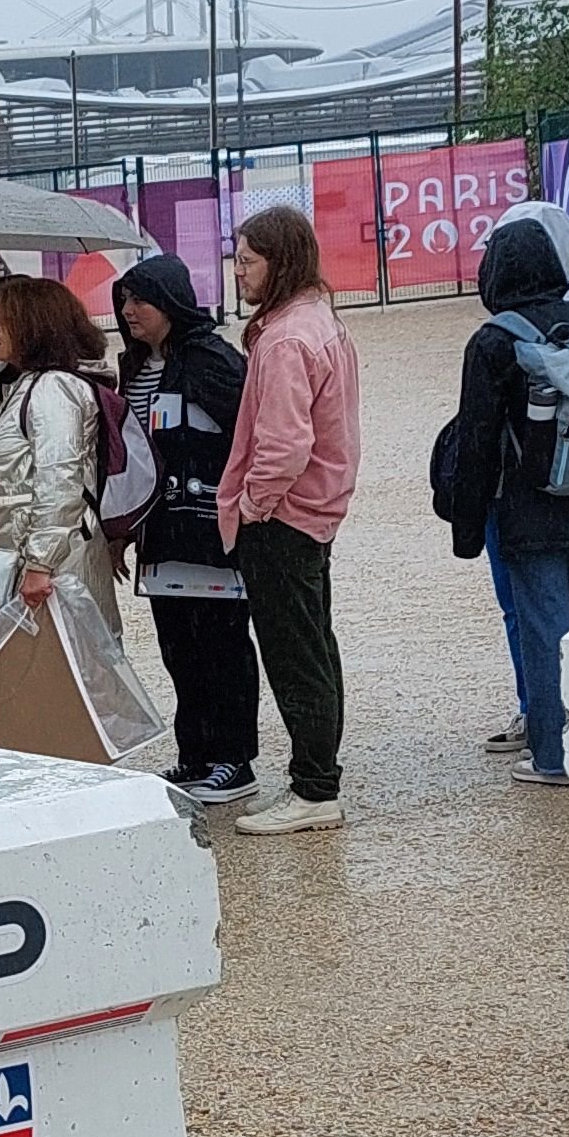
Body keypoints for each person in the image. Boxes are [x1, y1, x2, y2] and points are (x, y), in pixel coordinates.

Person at [438, 206, 569, 790]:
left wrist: (467, 525)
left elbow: (477, 439)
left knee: (543, 627)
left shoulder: (493, 341)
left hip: (529, 508)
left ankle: (554, 753)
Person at [220, 207, 362, 835]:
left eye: (248, 260)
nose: (238, 271)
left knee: (296, 654)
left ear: (279, 262)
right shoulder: (315, 322)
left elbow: (283, 446)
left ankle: (314, 788)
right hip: (310, 514)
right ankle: (314, 779)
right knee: (313, 647)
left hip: (283, 519)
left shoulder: (284, 339)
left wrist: (252, 508)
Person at [108, 256, 259, 803]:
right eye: (123, 301)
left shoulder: (211, 360)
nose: (128, 312)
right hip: (161, 535)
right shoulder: (134, 365)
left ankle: (235, 759)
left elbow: (249, 435)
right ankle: (194, 754)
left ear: (170, 301)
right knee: (179, 649)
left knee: (222, 645)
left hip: (208, 530)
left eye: (139, 300)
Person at [0, 274, 118, 632]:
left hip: (53, 571)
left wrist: (40, 564)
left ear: (30, 327)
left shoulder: (54, 390)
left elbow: (60, 480)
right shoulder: (28, 383)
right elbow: (4, 462)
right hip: (25, 562)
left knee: (68, 677)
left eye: (1, 320)